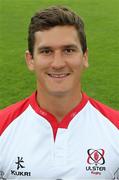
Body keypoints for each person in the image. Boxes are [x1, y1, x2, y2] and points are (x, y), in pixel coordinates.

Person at [0, 6, 119, 180]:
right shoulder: (3, 127)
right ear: (30, 60)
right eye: (46, 51)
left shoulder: (115, 128)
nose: (57, 63)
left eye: (68, 50)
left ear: (84, 57)